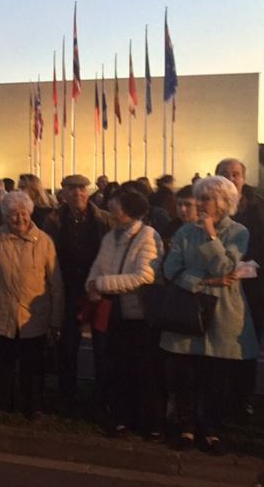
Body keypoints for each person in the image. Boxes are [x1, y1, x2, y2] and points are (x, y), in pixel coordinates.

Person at [159, 176, 258, 454]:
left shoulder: (238, 232)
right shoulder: (184, 232)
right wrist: (204, 282)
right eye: (199, 198)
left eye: (207, 198)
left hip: (223, 313)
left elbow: (225, 267)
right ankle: (187, 428)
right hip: (188, 310)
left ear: (224, 202)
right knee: (185, 375)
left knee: (216, 378)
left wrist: (211, 235)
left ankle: (211, 429)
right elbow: (171, 269)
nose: (200, 203)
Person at [0, 191, 63, 417]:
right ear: (5, 216)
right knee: (2, 364)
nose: (19, 218)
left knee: (33, 366)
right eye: (13, 214)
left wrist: (55, 320)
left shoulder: (44, 241)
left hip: (34, 317)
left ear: (30, 213)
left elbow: (55, 284)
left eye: (23, 213)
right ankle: (3, 403)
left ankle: (33, 406)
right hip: (2, 314)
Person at [86, 191, 163, 437]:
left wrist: (102, 284)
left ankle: (149, 422)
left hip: (139, 316)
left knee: (144, 371)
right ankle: (121, 417)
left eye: (116, 204)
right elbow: (97, 266)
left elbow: (145, 276)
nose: (111, 207)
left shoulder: (148, 235)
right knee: (119, 368)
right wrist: (91, 284)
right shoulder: (111, 237)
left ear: (128, 210)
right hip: (115, 314)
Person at [41, 174, 112, 411]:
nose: (77, 193)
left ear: (88, 192)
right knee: (67, 346)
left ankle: (101, 397)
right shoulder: (53, 220)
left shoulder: (104, 219)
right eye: (71, 189)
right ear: (63, 193)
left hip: (99, 292)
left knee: (102, 347)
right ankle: (67, 396)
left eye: (81, 188)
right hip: (69, 290)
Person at [215, 157, 264, 417]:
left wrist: (248, 268)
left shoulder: (258, 208)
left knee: (246, 341)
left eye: (235, 173)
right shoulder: (210, 206)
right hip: (218, 284)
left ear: (244, 178)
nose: (230, 178)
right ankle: (220, 394)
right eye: (224, 173)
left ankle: (242, 396)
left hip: (252, 286)